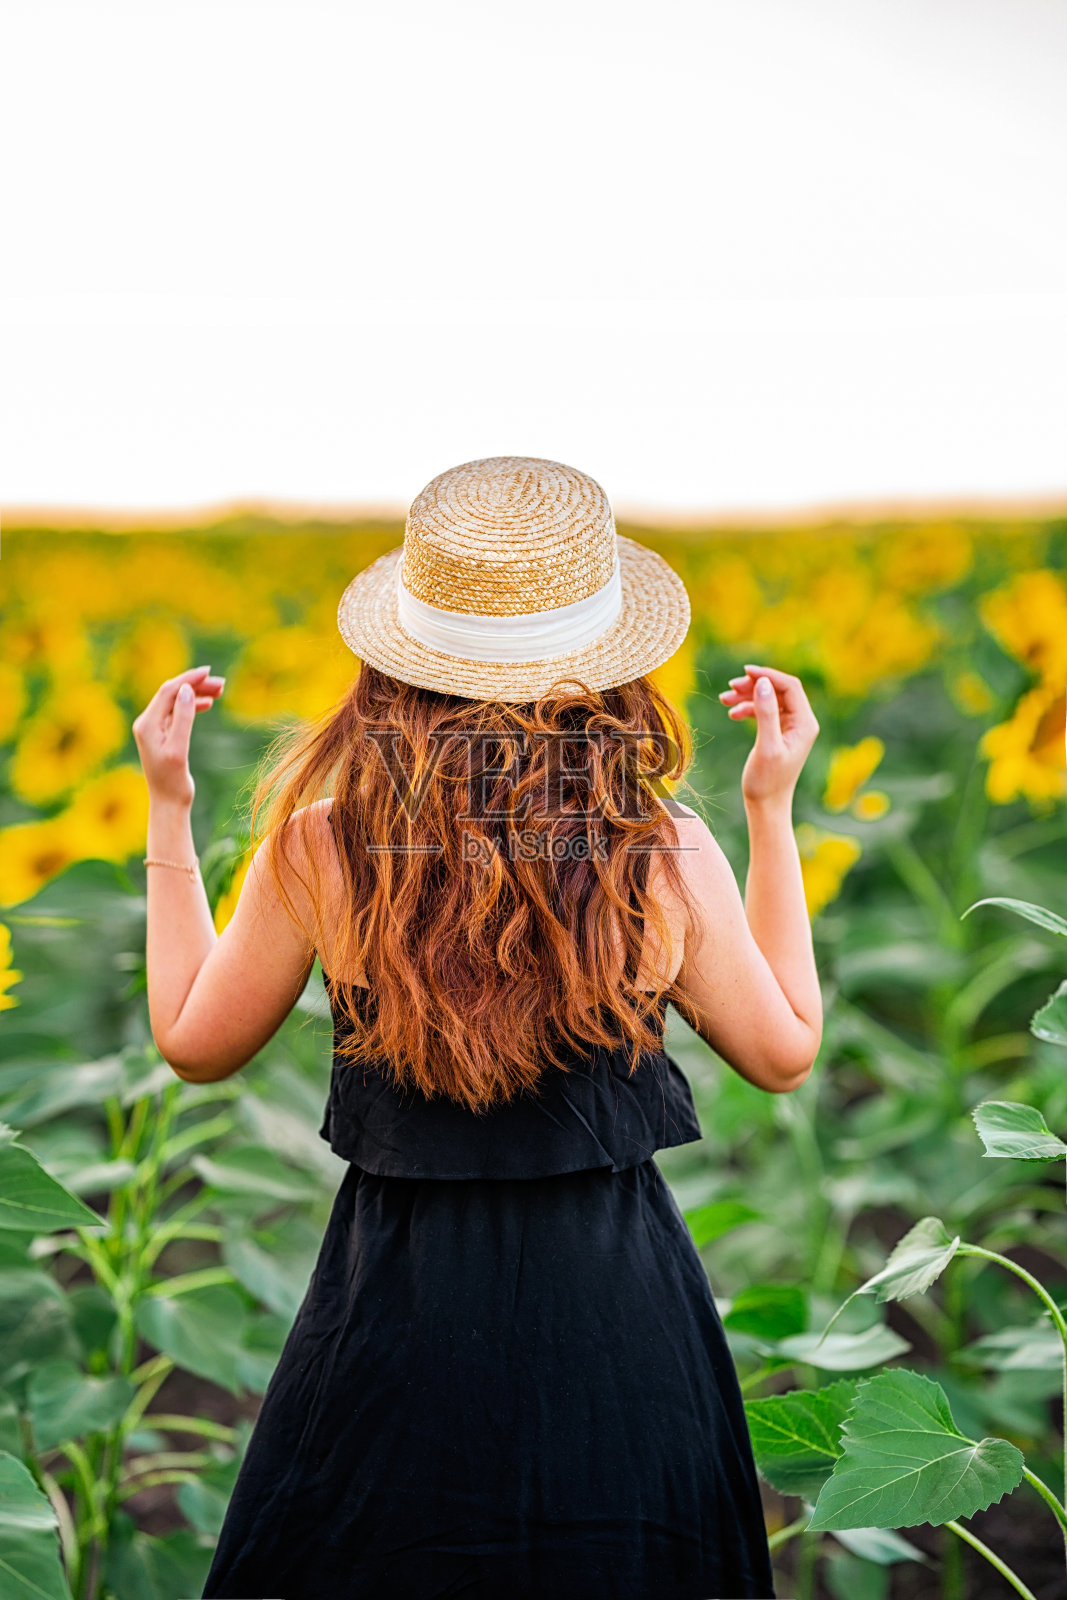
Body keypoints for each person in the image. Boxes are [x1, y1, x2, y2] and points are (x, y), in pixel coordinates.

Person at [133, 455, 822, 1600]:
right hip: (620, 1323)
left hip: (390, 1315)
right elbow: (783, 1049)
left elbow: (195, 1044)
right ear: (610, 671)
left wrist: (168, 808)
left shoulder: (323, 845)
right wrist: (768, 809)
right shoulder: (658, 851)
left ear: (395, 663)